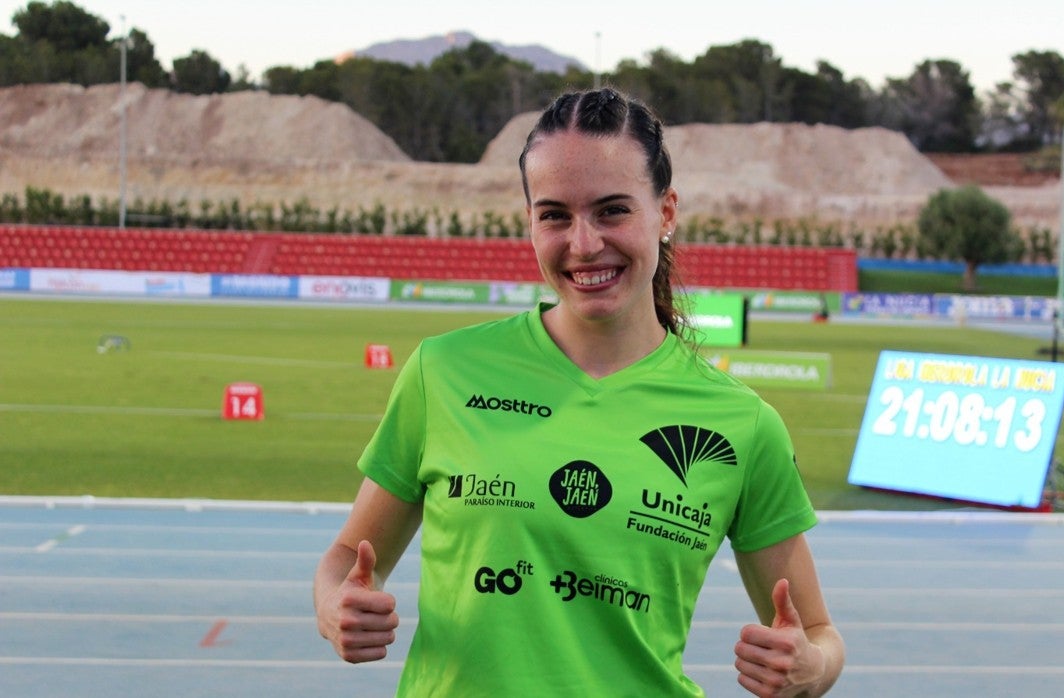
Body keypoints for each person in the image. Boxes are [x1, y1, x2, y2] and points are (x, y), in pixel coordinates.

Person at [314, 87, 845, 697]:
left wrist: (810, 667)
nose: (584, 243)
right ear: (530, 222)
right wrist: (337, 607)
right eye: (555, 215)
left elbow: (820, 634)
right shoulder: (444, 371)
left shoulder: (743, 425)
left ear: (666, 212)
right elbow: (345, 562)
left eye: (613, 210)